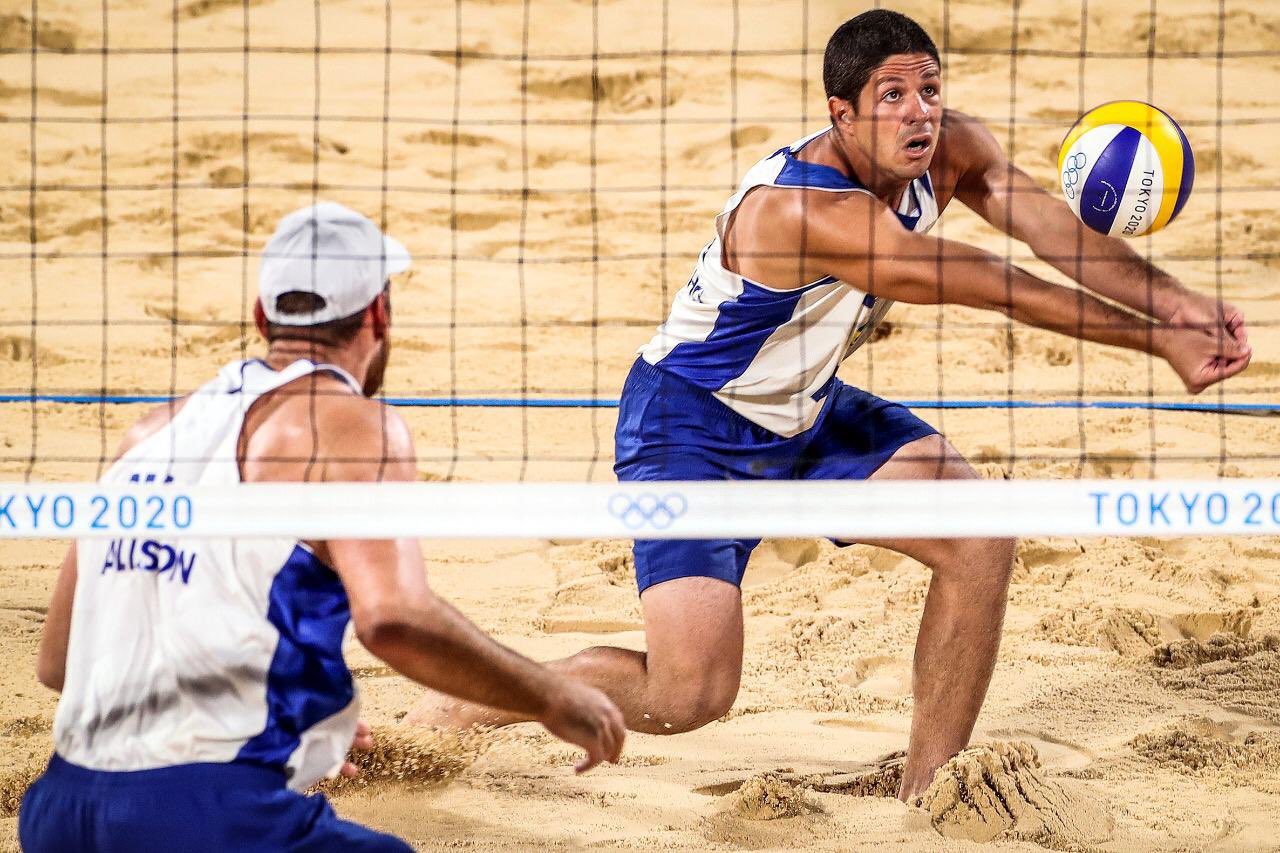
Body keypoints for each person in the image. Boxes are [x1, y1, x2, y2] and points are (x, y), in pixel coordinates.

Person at [408, 10, 1251, 800]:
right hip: (689, 425)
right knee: (688, 693)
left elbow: (1057, 235)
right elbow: (984, 282)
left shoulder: (951, 150)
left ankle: (934, 790)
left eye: (929, 88)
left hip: (805, 410)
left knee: (978, 532)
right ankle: (462, 706)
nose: (919, 112)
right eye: (892, 96)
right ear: (841, 114)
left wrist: (1175, 302)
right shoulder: (805, 210)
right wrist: (1156, 342)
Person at [20, 202, 626, 852]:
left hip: (60, 809)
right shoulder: (351, 423)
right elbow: (394, 618)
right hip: (211, 814)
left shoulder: (146, 436)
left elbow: (59, 661)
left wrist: (298, 726)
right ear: (378, 315)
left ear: (262, 318)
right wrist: (551, 695)